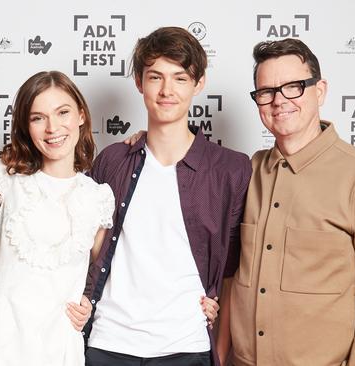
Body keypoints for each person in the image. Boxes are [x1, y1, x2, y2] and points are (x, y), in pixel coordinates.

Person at [219, 38, 355, 366]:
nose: (279, 100)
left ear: (320, 90)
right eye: (266, 91)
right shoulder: (246, 172)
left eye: (293, 87)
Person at [84, 27, 251, 366]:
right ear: (138, 82)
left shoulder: (230, 170)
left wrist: (218, 344)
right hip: (109, 342)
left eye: (180, 78)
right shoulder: (113, 160)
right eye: (155, 77)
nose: (166, 91)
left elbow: (235, 271)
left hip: (186, 346)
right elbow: (85, 245)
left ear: (198, 83)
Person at [0, 70, 114, 366]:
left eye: (63, 112)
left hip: (58, 348)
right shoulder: (2, 178)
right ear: (25, 126)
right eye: (38, 118)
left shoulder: (98, 198)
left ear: (82, 115)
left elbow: (104, 277)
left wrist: (89, 303)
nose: (52, 128)